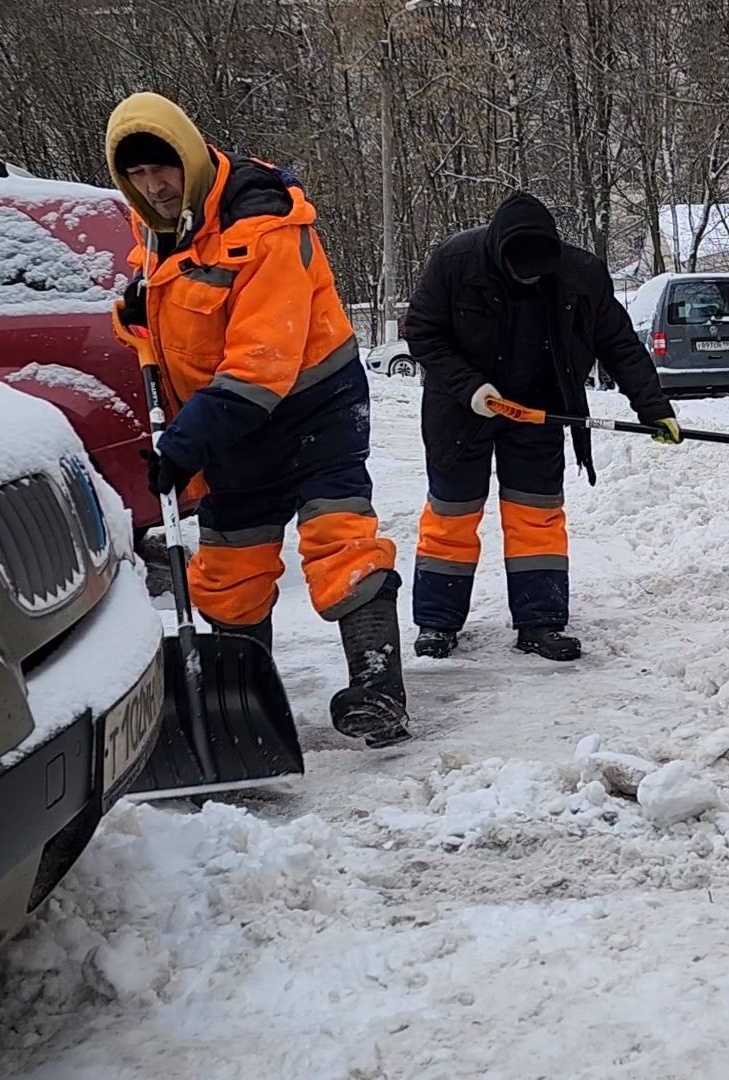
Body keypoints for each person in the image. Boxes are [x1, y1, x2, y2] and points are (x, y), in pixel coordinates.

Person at [104, 91, 411, 748]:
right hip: (233, 425)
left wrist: (185, 444)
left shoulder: (267, 228)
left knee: (339, 543)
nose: (154, 186)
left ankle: (379, 690)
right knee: (231, 570)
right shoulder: (162, 228)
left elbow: (261, 362)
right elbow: (180, 304)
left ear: (189, 156)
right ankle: (251, 704)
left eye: (164, 168)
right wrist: (137, 313)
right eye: (137, 174)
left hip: (311, 411)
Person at [404, 191, 680, 662]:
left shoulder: (580, 274)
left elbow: (617, 343)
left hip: (539, 411)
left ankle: (541, 621)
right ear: (499, 253)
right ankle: (437, 622)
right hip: (461, 411)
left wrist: (653, 407)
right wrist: (471, 387)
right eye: (521, 270)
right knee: (452, 515)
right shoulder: (456, 262)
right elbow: (422, 331)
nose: (531, 276)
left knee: (537, 517)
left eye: (539, 270)